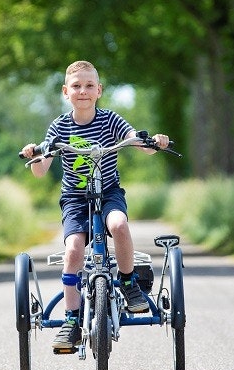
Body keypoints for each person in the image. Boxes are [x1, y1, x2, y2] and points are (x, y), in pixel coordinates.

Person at [20, 60, 170, 350]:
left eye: (90, 86)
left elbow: (135, 141)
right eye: (76, 86)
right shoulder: (60, 126)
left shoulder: (111, 120)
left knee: (120, 225)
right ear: (66, 92)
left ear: (99, 90)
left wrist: (153, 142)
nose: (83, 91)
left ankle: (128, 283)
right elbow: (40, 171)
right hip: (75, 199)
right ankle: (72, 320)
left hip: (109, 192)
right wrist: (35, 153)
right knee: (74, 249)